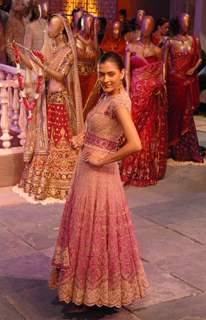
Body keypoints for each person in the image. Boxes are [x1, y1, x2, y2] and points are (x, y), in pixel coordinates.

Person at [49, 52, 149, 313]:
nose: (105, 79)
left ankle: (91, 296)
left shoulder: (118, 103)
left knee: (93, 233)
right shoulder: (107, 96)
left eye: (110, 74)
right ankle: (84, 290)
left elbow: (135, 144)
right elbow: (102, 130)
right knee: (88, 232)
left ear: (122, 74)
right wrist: (84, 138)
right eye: (101, 73)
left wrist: (104, 159)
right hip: (89, 173)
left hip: (100, 177)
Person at [13, 14, 83, 203]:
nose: (47, 30)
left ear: (61, 30)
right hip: (49, 100)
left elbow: (60, 76)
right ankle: (44, 181)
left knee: (60, 141)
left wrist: (42, 65)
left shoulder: (69, 51)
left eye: (51, 27)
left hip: (60, 101)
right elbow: (38, 70)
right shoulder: (51, 50)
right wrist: (21, 57)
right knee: (48, 143)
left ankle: (63, 181)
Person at [120, 16, 168, 186]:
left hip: (151, 96)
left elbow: (160, 74)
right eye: (144, 25)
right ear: (140, 26)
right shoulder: (130, 47)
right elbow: (126, 72)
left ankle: (144, 167)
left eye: (150, 25)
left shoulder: (156, 50)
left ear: (153, 27)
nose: (146, 28)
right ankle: (128, 165)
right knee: (132, 127)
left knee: (147, 130)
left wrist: (158, 86)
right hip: (135, 93)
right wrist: (126, 92)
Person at [164, 13, 203, 162]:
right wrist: (163, 82)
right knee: (174, 113)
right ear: (179, 23)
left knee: (187, 113)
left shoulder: (194, 40)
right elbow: (165, 64)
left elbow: (200, 58)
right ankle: (172, 147)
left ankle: (186, 149)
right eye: (184, 22)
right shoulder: (170, 41)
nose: (187, 25)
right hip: (174, 81)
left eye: (188, 22)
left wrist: (194, 68)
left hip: (187, 81)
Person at [75, 13, 99, 108]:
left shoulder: (93, 42)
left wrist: (96, 32)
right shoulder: (75, 38)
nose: (90, 25)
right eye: (88, 22)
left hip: (90, 76)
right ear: (82, 23)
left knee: (89, 103)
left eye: (92, 23)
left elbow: (97, 56)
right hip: (78, 76)